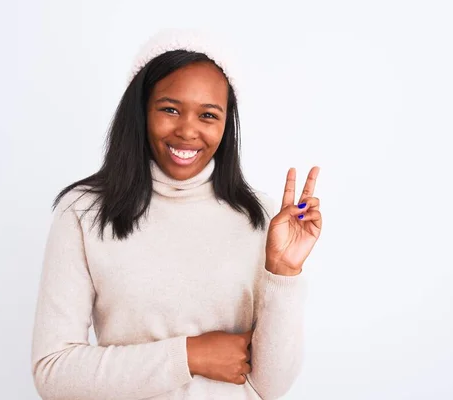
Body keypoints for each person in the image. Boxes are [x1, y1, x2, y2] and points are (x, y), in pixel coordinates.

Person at [30, 29, 322, 400]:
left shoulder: (261, 216)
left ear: (225, 124)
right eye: (170, 109)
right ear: (140, 111)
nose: (188, 131)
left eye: (208, 115)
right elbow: (53, 373)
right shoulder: (84, 212)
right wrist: (188, 356)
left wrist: (283, 272)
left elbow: (270, 386)